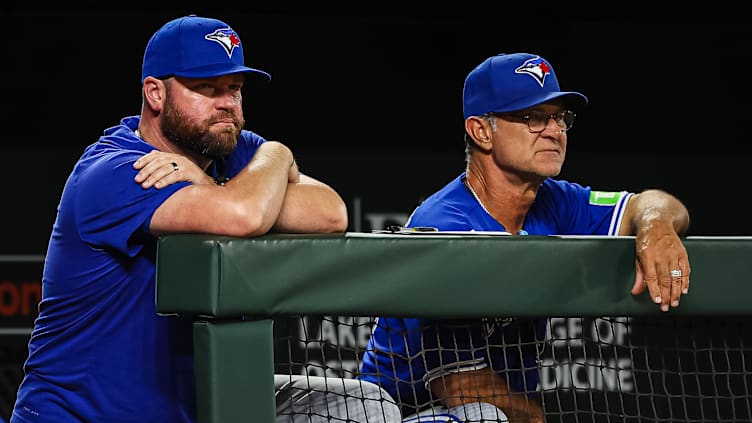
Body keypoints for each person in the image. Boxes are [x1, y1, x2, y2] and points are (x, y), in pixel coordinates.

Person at [11, 15, 400, 423]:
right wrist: (260, 172)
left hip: (204, 403)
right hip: (86, 414)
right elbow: (244, 214)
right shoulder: (119, 169)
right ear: (155, 93)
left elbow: (331, 212)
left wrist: (272, 154)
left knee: (361, 405)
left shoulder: (237, 154)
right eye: (206, 88)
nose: (227, 103)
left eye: (235, 89)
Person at [358, 52, 691, 423]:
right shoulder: (445, 225)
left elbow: (651, 202)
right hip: (396, 412)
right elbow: (460, 386)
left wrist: (656, 226)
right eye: (532, 117)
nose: (554, 131)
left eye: (559, 117)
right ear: (481, 131)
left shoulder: (557, 200)